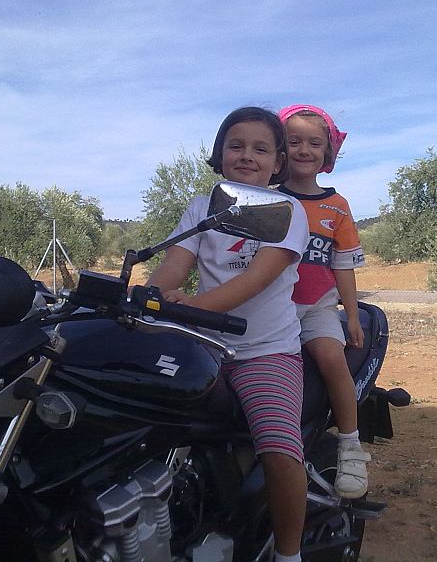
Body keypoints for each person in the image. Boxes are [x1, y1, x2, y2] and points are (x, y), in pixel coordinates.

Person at [145, 106, 310, 562]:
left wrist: (190, 308)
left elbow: (257, 277)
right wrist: (148, 297)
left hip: (265, 351)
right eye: (236, 146)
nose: (247, 156)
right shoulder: (203, 208)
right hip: (202, 346)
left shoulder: (288, 211)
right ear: (220, 154)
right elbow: (174, 264)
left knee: (279, 448)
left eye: (260, 149)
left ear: (278, 162)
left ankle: (289, 554)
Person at [277, 104, 370, 499]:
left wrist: (352, 315)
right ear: (280, 149)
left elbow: (343, 265)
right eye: (294, 141)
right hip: (272, 308)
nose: (304, 150)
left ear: (327, 153)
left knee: (332, 359)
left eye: (314, 143)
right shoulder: (267, 199)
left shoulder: (337, 206)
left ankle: (351, 446)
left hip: (317, 307)